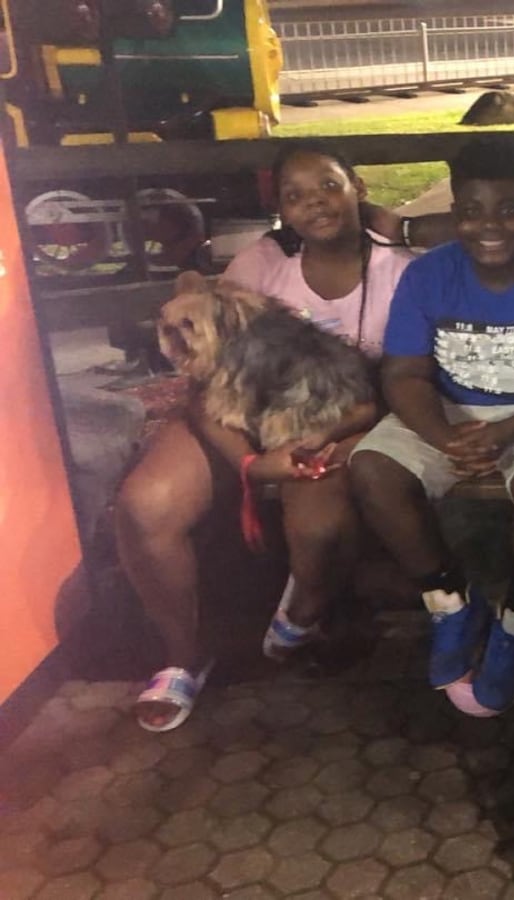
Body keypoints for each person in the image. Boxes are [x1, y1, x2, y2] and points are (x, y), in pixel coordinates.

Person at [121, 142, 410, 731]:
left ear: (356, 183)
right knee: (143, 504)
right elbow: (204, 377)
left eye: (329, 186)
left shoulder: (400, 264)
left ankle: (304, 610)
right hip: (232, 414)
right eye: (294, 196)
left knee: (321, 521)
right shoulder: (262, 262)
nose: (315, 204)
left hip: (335, 414)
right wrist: (251, 464)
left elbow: (393, 387)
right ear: (278, 208)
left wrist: (395, 222)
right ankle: (182, 655)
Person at [348, 138, 514, 717]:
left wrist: (507, 432)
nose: (489, 226)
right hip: (448, 414)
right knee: (371, 469)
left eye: (509, 210)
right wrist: (444, 438)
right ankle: (449, 602)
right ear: (454, 213)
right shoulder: (428, 276)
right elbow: (404, 373)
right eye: (471, 211)